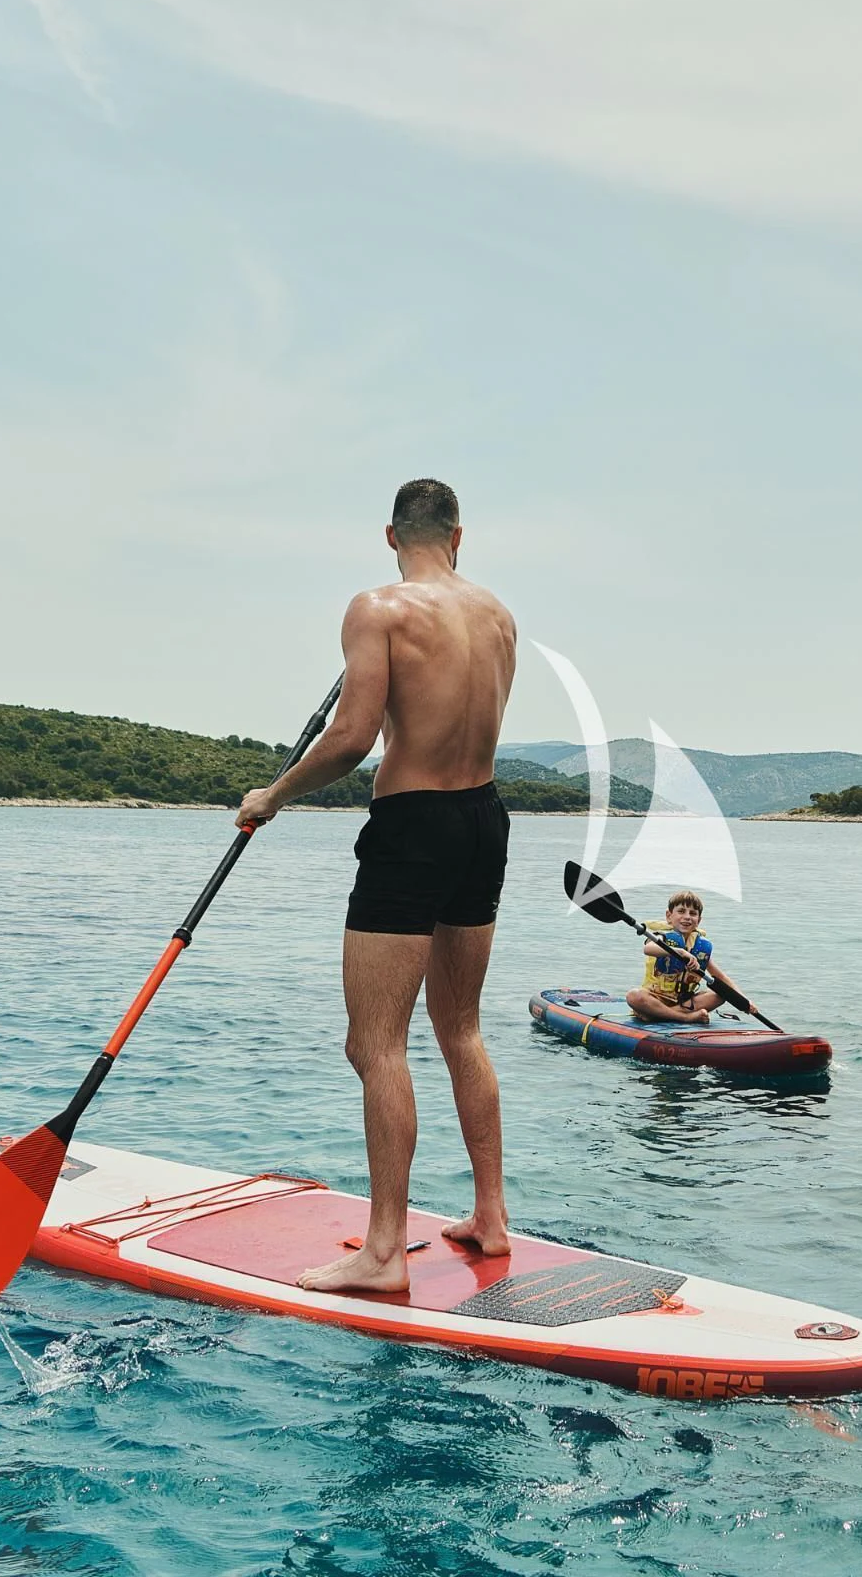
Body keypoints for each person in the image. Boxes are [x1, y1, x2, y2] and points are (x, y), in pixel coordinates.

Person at [235, 478, 517, 1295]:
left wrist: (273, 795)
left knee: (375, 1043)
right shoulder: (498, 616)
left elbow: (354, 737)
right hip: (485, 819)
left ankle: (385, 1251)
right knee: (459, 1028)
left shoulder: (378, 608)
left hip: (413, 828)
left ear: (390, 535)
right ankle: (490, 1217)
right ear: (459, 536)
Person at [625, 890, 736, 1025]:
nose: (687, 917)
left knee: (722, 994)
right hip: (656, 997)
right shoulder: (661, 936)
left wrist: (746, 1002)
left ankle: (659, 1014)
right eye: (681, 911)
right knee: (634, 996)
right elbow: (648, 949)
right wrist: (680, 952)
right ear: (669, 916)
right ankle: (685, 1018)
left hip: (683, 1003)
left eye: (693, 913)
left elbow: (721, 977)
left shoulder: (699, 945)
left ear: (699, 920)